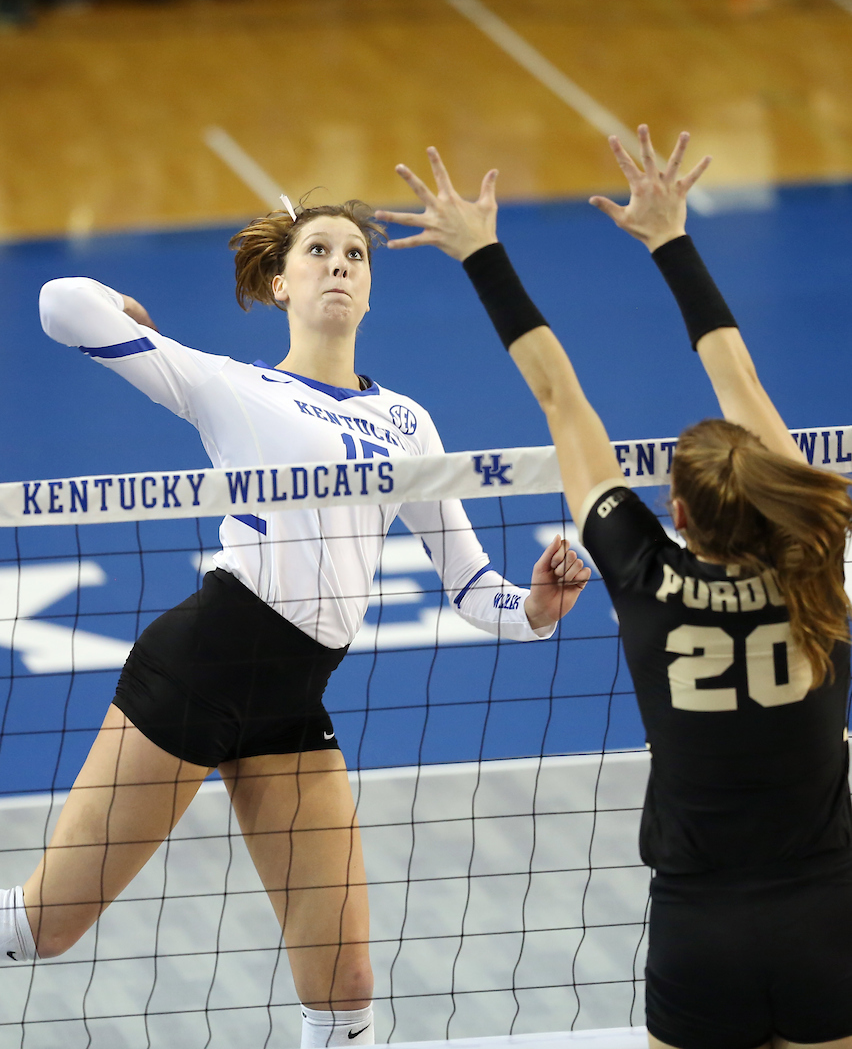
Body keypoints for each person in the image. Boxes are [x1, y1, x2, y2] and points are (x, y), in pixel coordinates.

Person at [0, 197, 590, 1048]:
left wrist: (535, 608)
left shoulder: (407, 423)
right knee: (45, 927)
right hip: (198, 674)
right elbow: (59, 304)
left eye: (355, 253)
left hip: (292, 705)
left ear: (370, 290)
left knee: (347, 988)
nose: (339, 263)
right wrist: (125, 312)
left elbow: (472, 588)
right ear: (281, 282)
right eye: (317, 250)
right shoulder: (232, 387)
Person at [377, 131, 852, 1049]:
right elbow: (739, 376)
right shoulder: (816, 558)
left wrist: (482, 251)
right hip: (827, 919)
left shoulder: (644, 569)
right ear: (768, 492)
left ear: (674, 507)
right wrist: (672, 238)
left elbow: (561, 398)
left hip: (698, 929)